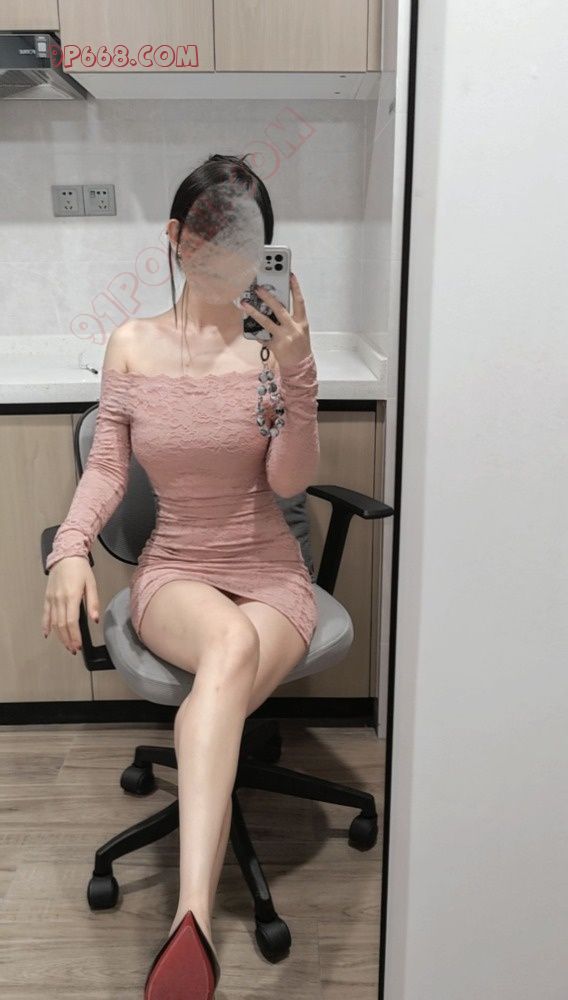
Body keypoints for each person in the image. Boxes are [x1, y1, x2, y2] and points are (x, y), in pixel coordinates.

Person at [41, 153, 320, 998]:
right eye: (211, 230)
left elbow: (290, 482)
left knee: (228, 663)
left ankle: (189, 932)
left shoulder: (271, 353)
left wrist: (299, 372)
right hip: (177, 570)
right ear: (176, 236)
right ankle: (190, 917)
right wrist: (71, 548)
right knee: (226, 645)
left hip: (270, 570)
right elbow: (107, 468)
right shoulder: (131, 345)